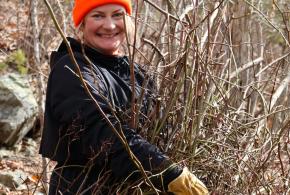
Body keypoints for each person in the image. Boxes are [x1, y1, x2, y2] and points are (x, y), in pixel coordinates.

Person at [39, 0, 208, 194]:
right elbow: (103, 133)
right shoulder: (72, 69)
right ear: (82, 23)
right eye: (98, 15)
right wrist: (169, 173)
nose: (110, 25)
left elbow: (161, 133)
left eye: (117, 15)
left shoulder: (138, 74)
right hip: (84, 188)